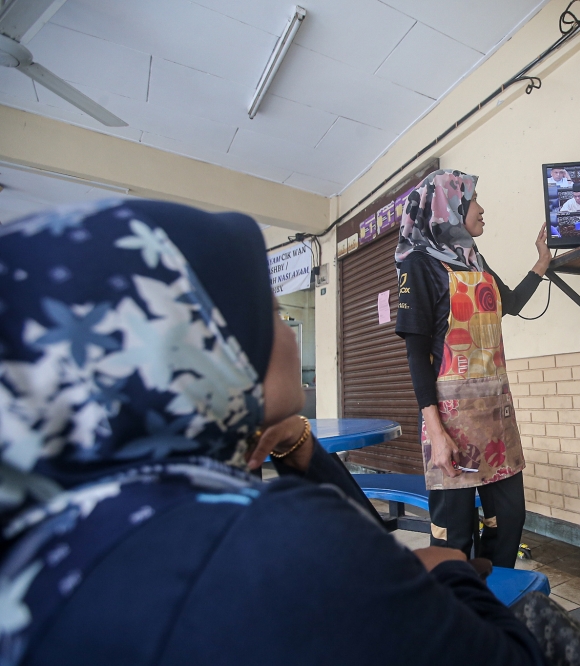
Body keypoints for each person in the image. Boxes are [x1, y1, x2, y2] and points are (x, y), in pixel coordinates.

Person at [0, 199, 546, 666]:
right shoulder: (270, 543)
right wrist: (452, 577)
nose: (288, 334)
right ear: (203, 353)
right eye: (273, 315)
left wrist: (294, 440)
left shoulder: (54, 539)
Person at [395, 170, 551, 568]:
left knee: (509, 520)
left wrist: (542, 263)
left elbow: (511, 303)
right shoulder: (419, 265)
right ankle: (457, 617)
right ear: (450, 208)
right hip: (450, 423)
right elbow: (416, 356)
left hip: (496, 420)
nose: (482, 209)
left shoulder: (474, 262)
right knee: (455, 535)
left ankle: (494, 602)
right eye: (474, 200)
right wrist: (436, 431)